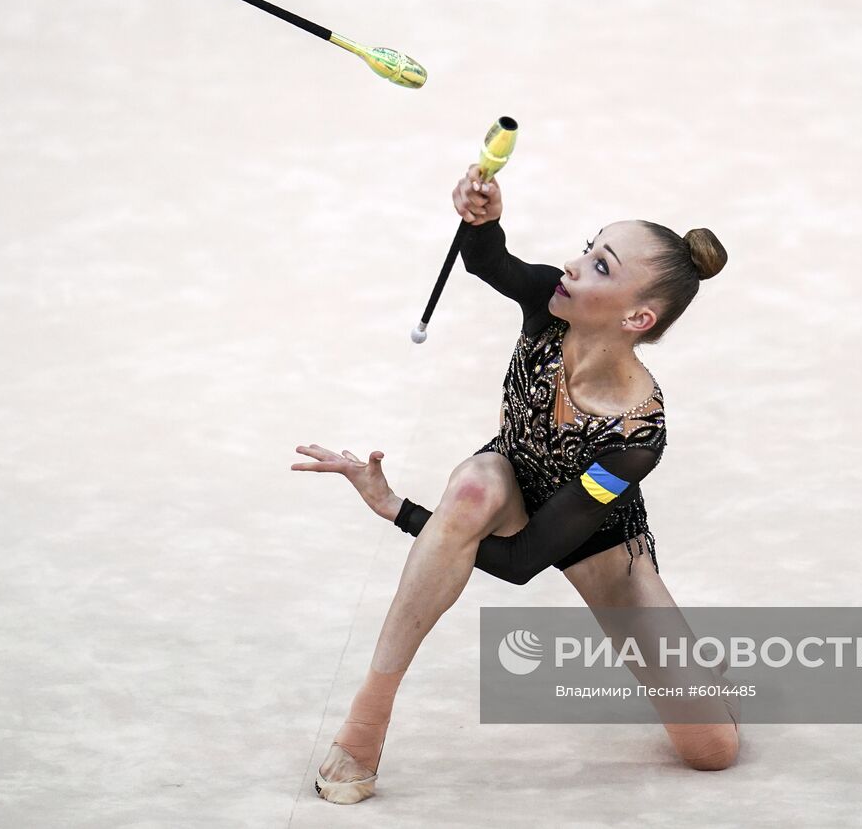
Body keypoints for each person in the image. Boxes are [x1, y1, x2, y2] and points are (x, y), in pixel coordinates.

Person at [293, 164, 733, 804]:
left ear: (638, 318)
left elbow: (523, 562)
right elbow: (486, 260)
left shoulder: (635, 437)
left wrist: (396, 509)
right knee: (474, 484)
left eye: (601, 267)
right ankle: (369, 716)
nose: (575, 266)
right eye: (589, 248)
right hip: (507, 475)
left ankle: (697, 675)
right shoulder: (551, 304)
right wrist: (482, 215)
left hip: (597, 542)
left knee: (711, 752)